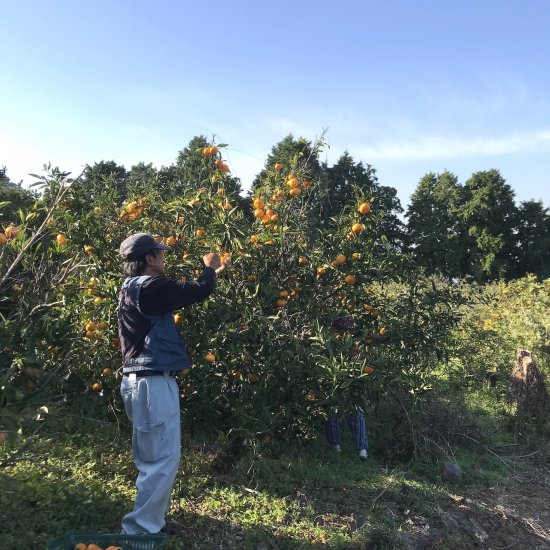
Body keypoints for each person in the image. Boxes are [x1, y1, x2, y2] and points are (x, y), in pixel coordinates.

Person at [117, 232, 227, 535]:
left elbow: (182, 293)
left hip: (141, 382)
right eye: (160, 253)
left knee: (154, 457)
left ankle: (149, 524)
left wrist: (208, 278)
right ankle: (140, 531)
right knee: (161, 460)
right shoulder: (151, 287)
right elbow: (196, 290)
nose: (165, 258)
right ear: (149, 259)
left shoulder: (132, 287)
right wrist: (209, 267)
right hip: (151, 384)